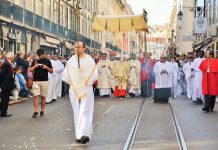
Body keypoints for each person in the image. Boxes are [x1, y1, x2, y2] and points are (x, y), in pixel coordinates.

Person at [62, 42, 98, 144]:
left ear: (84, 48)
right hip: (74, 88)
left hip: (86, 87)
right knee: (77, 111)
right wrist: (75, 78)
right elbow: (65, 75)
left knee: (85, 110)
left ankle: (85, 134)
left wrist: (86, 79)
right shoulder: (71, 61)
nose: (78, 49)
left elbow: (94, 73)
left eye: (80, 47)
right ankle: (78, 134)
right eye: (76, 47)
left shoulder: (89, 60)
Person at [30, 49, 53, 118]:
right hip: (36, 81)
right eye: (39, 55)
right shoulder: (35, 61)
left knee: (43, 96)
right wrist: (35, 66)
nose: (40, 57)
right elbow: (30, 70)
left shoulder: (47, 61)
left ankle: (42, 111)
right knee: (36, 96)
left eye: (41, 55)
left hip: (44, 81)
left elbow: (52, 71)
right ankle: (36, 111)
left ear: (44, 54)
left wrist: (46, 67)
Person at [0, 52, 15, 117]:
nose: (14, 57)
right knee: (5, 99)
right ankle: (3, 112)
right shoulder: (6, 64)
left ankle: (3, 111)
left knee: (5, 99)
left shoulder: (9, 63)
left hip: (8, 83)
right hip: (5, 84)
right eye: (13, 56)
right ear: (11, 57)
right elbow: (2, 74)